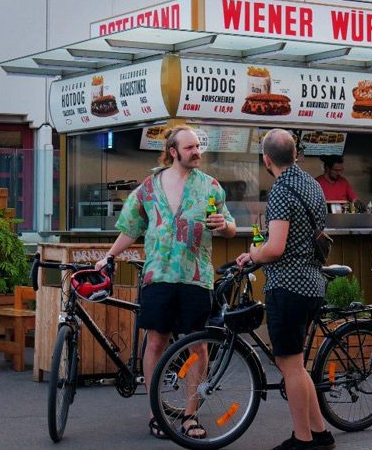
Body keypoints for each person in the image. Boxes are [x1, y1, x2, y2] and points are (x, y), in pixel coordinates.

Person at [94, 126, 236, 441]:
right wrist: (108, 256)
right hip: (157, 276)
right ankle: (155, 413)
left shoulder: (210, 187)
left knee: (197, 344)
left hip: (196, 277)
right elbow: (130, 228)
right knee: (155, 341)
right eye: (190, 147)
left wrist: (225, 225)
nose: (197, 151)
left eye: (198, 146)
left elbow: (230, 226)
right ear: (173, 151)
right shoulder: (148, 188)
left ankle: (190, 415)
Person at [235, 129, 335, 450]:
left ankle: (302, 439)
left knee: (289, 366)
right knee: (297, 363)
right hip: (312, 284)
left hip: (288, 287)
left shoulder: (281, 190)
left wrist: (252, 254)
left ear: (266, 160)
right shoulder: (311, 184)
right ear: (295, 153)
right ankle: (320, 433)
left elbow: (275, 247)